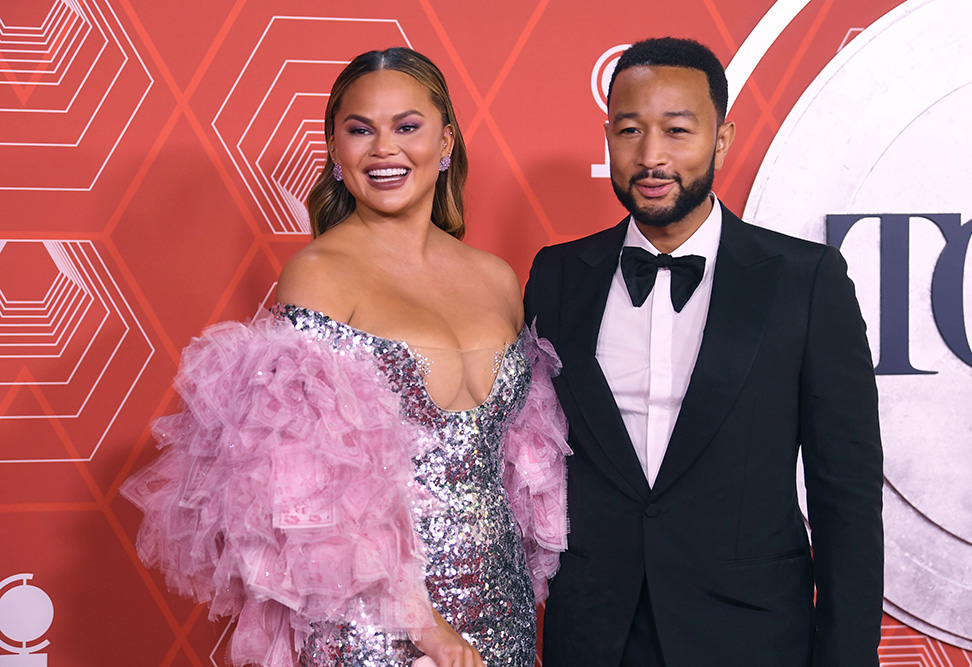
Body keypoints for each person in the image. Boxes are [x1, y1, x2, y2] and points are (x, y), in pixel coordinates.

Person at [121, 47, 569, 667]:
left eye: (406, 127)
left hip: (502, 608)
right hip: (380, 623)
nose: (384, 149)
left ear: (446, 143)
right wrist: (430, 633)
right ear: (335, 151)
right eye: (360, 130)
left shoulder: (496, 278)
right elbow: (312, 493)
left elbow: (522, 468)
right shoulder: (318, 276)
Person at [524, 37, 883, 666]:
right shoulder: (557, 276)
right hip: (595, 635)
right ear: (608, 136)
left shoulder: (806, 280)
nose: (652, 156)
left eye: (678, 131)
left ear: (721, 139)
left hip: (752, 636)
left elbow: (845, 494)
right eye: (630, 131)